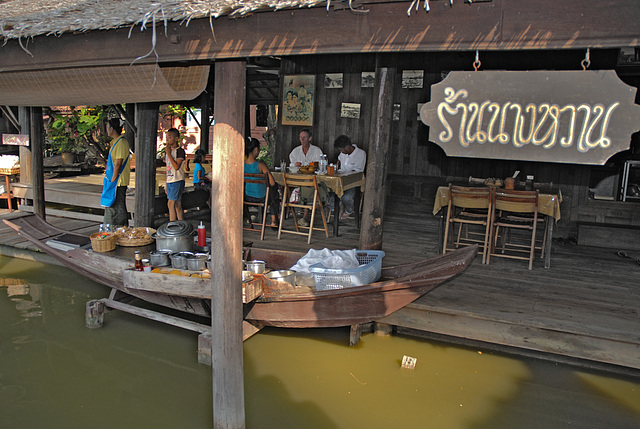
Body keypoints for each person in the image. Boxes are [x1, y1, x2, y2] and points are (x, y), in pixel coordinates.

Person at [289, 129, 324, 227]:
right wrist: (295, 165)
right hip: (297, 178)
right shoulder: (295, 151)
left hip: (311, 179)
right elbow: (291, 164)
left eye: (304, 137)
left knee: (308, 188)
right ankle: (284, 211)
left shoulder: (316, 150)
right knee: (283, 185)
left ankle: (305, 215)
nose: (302, 139)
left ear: (310, 138)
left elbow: (320, 165)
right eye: (300, 137)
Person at [244, 137, 279, 228]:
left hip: (248, 196)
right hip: (261, 197)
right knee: (274, 193)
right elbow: (272, 182)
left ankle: (257, 218)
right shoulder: (260, 164)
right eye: (258, 149)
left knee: (271, 192)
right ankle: (273, 221)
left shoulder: (242, 164)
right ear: (255, 150)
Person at [102, 118, 130, 227]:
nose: (106, 130)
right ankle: (113, 228)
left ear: (112, 129)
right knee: (113, 206)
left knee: (117, 207)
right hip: (113, 180)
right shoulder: (115, 142)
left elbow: (118, 163)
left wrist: (113, 181)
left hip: (118, 181)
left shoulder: (121, 142)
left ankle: (119, 229)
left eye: (107, 127)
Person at [334, 134, 366, 220]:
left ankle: (348, 210)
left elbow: (358, 171)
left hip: (353, 181)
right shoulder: (342, 154)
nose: (341, 152)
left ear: (348, 147)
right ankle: (336, 207)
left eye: (342, 149)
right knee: (331, 193)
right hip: (341, 180)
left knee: (346, 197)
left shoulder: (360, 154)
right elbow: (339, 162)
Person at [164, 128, 186, 221]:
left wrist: (168, 153)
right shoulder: (168, 151)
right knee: (177, 204)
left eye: (170, 137)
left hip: (177, 180)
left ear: (176, 138)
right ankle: (181, 223)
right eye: (167, 137)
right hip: (170, 180)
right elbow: (168, 167)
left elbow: (176, 167)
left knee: (170, 204)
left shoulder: (179, 151)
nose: (167, 139)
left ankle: (171, 225)